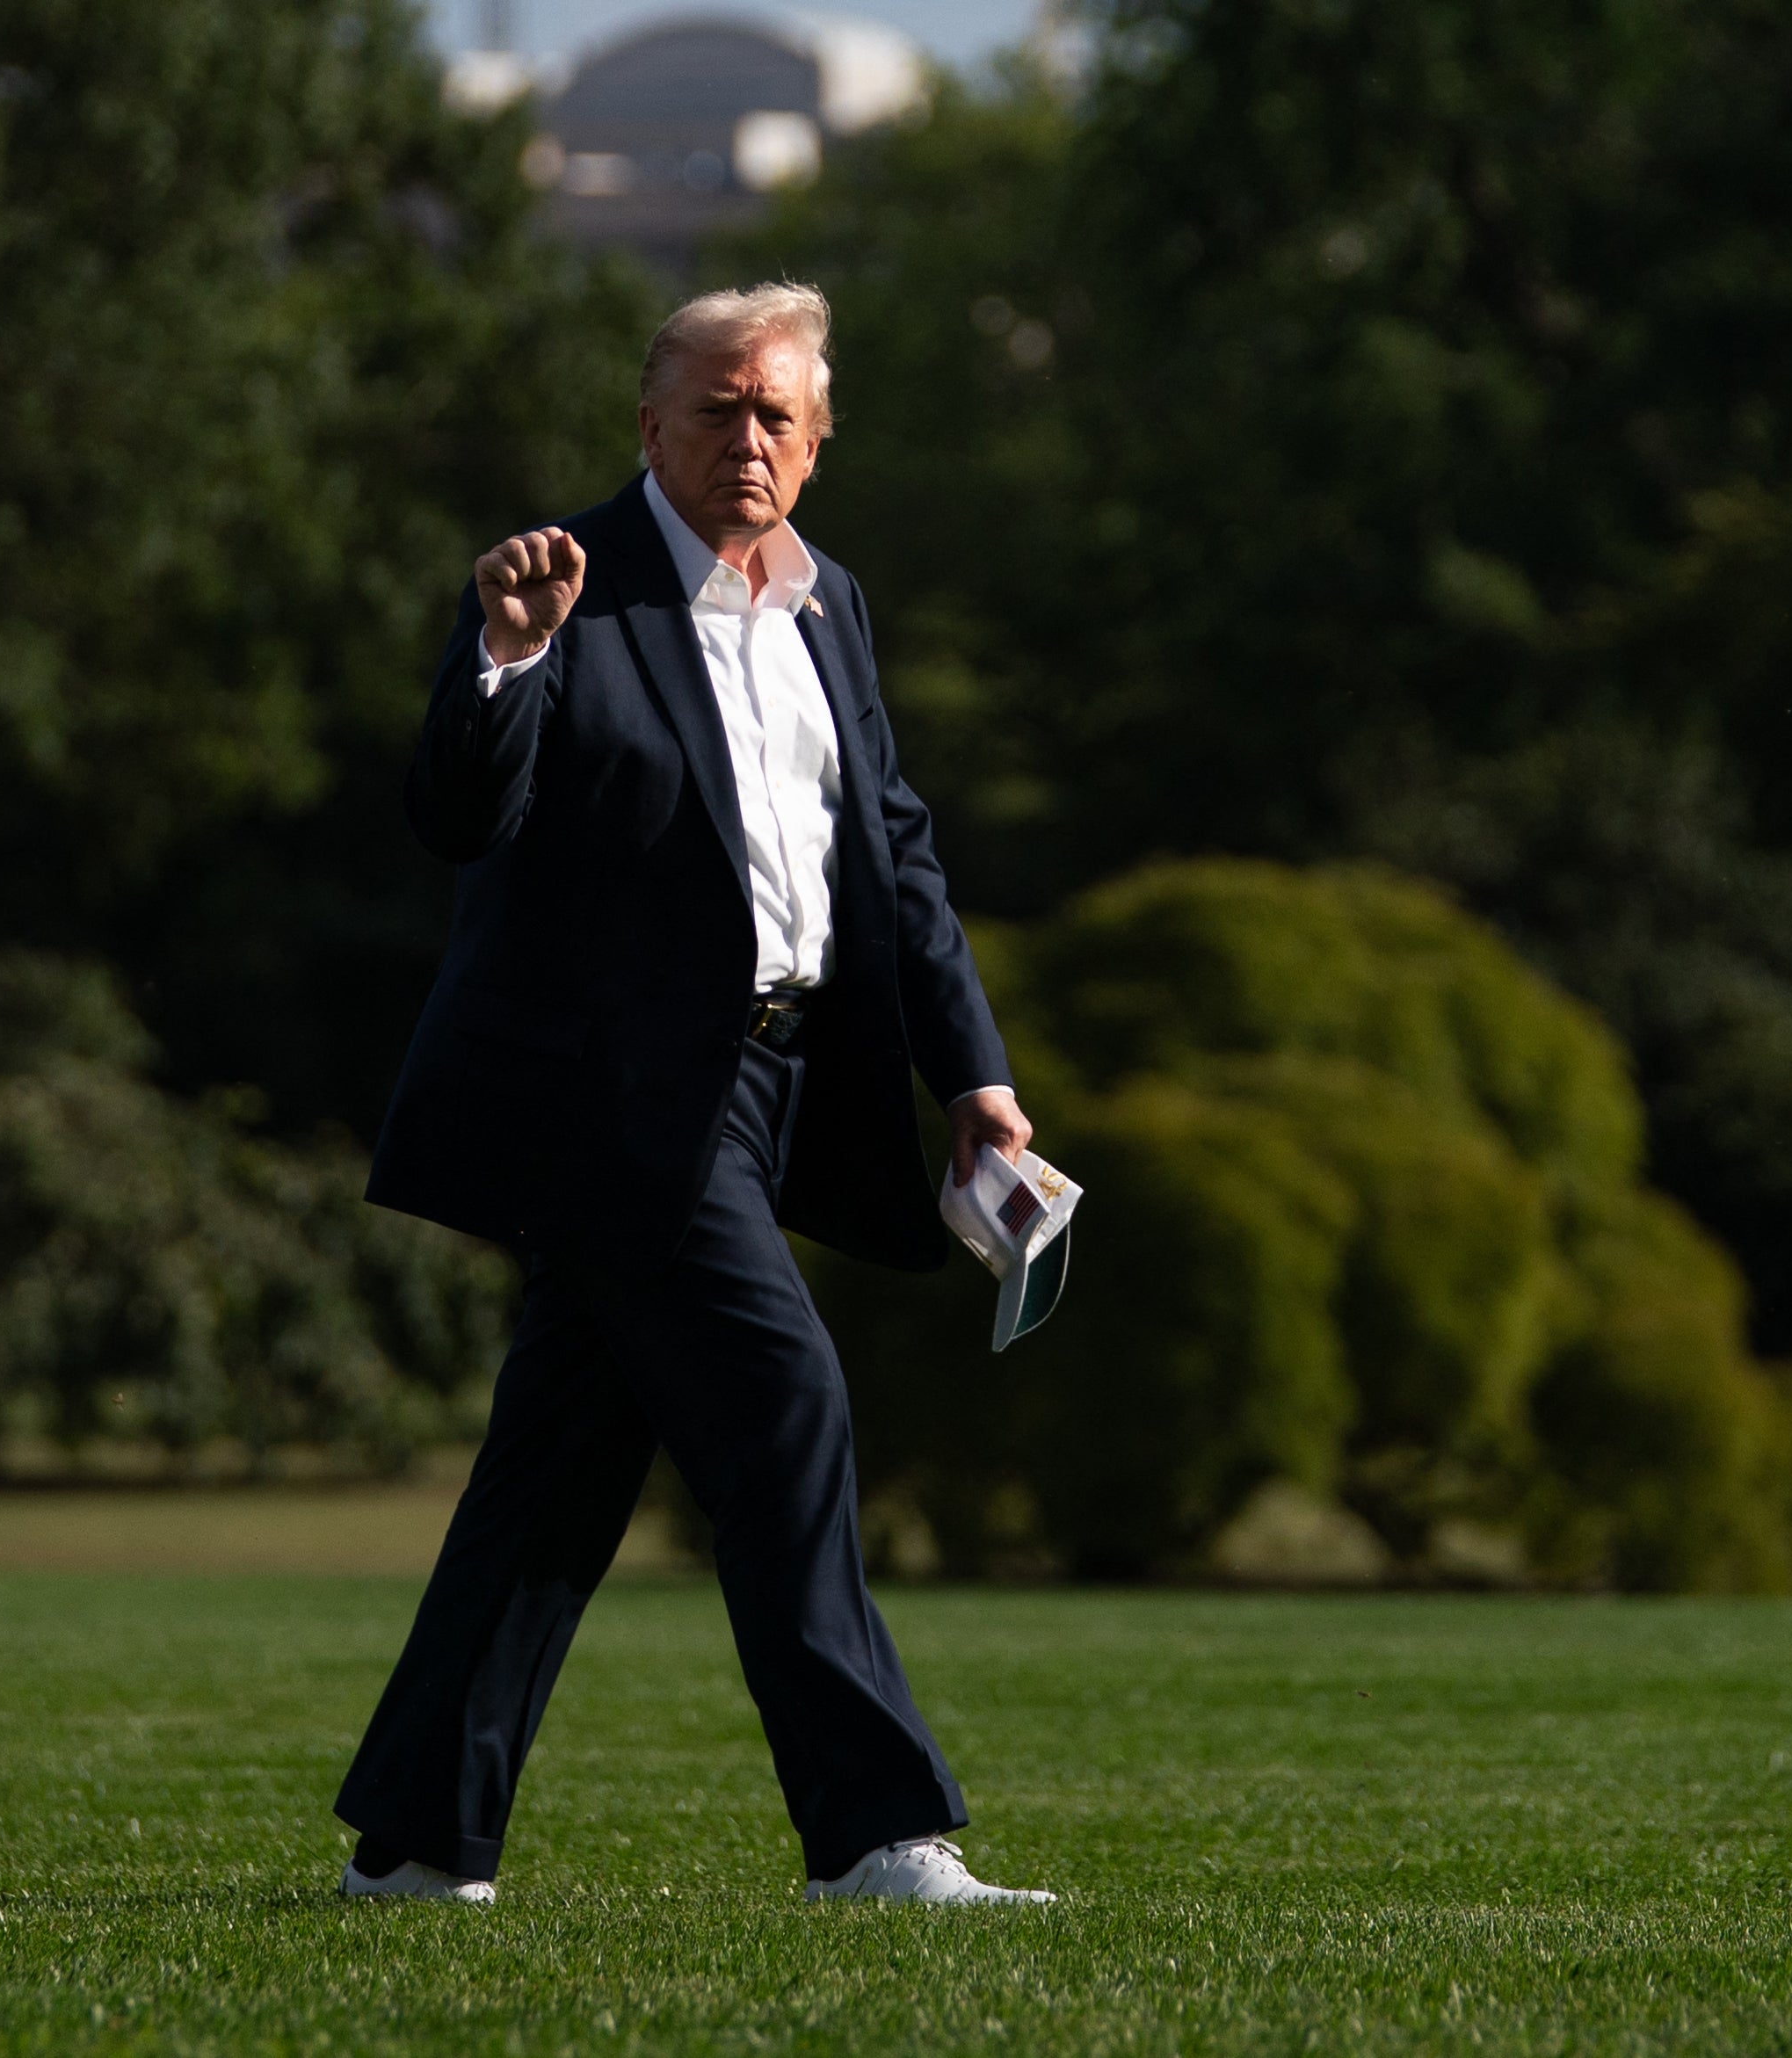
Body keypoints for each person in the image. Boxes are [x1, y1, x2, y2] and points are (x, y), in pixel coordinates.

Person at [332, 283, 1054, 1909]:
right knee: (785, 1397)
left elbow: (901, 854)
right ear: (649, 423)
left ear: (816, 444)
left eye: (779, 415)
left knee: (560, 1468)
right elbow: (458, 810)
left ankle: (418, 1841)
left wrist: (978, 1078)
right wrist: (505, 660)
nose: (749, 439)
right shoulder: (564, 589)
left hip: (779, 1083)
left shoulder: (830, 605)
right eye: (718, 407)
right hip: (614, 1099)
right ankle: (875, 1834)